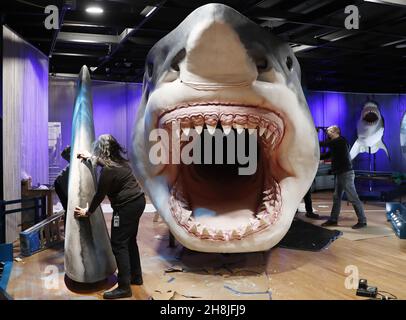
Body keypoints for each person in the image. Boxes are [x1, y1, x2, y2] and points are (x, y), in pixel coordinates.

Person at [74, 134, 145, 299]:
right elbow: (104, 161)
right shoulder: (121, 163)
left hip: (126, 208)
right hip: (137, 202)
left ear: (101, 150)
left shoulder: (108, 171)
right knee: (130, 242)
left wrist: (88, 211)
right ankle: (136, 276)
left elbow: (99, 195)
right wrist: (91, 157)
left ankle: (124, 287)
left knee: (119, 244)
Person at [319, 125, 367, 229]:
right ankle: (333, 219)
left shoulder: (340, 141)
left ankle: (362, 221)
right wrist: (315, 156)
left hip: (346, 173)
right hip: (340, 173)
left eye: (330, 131)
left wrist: (312, 138)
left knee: (353, 197)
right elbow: (327, 155)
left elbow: (324, 144)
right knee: (336, 197)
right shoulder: (335, 144)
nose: (328, 132)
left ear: (336, 132)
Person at [54, 146, 71, 223]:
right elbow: (63, 153)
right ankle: (67, 232)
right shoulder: (75, 159)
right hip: (60, 183)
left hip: (64, 183)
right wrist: (72, 148)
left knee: (69, 208)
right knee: (68, 209)